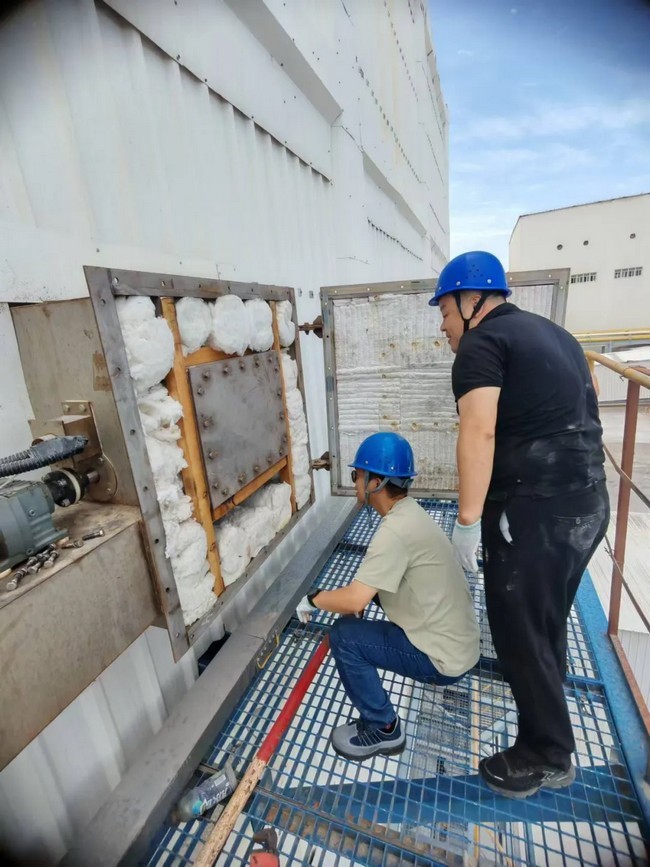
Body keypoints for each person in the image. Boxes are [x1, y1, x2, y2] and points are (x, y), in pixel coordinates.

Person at [430, 250, 609, 798]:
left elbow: (478, 432)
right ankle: (547, 702)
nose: (443, 327)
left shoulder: (482, 345)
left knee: (516, 629)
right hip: (588, 504)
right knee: (544, 619)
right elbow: (588, 404)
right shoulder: (556, 335)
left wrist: (466, 522)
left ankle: (545, 754)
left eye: (444, 313)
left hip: (536, 515)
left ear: (470, 301)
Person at [296, 432, 480, 762]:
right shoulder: (410, 514)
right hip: (458, 643)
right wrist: (356, 597)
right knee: (362, 603)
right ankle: (381, 723)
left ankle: (384, 728)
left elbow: (354, 601)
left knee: (345, 636)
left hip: (442, 659)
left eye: (357, 475)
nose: (354, 483)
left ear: (376, 483)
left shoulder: (394, 531)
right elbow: (373, 585)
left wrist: (313, 599)